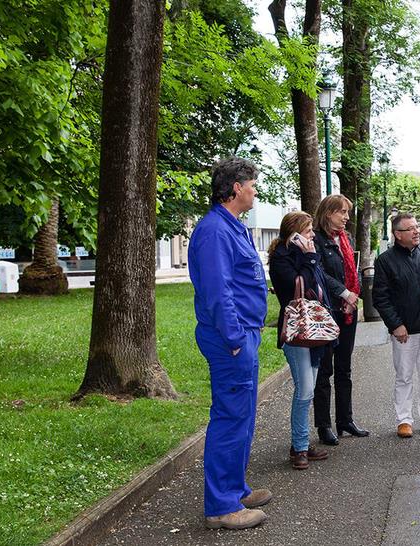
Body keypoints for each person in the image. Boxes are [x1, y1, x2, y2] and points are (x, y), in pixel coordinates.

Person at [188, 157, 271, 530]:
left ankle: (235, 489)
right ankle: (221, 506)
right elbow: (218, 291)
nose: (255, 191)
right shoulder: (214, 231)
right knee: (230, 418)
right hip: (229, 340)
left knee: (243, 418)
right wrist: (237, 338)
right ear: (236, 187)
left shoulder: (232, 226)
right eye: (252, 184)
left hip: (242, 336)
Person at [373, 213, 420, 438]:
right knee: (404, 376)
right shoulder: (385, 261)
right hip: (404, 331)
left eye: (417, 227)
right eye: (411, 229)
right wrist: (395, 325)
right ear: (398, 234)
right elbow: (381, 297)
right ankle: (404, 421)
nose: (417, 231)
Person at [268, 211, 332, 470]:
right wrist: (308, 257)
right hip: (296, 332)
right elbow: (297, 284)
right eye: (307, 231)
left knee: (310, 387)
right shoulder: (281, 259)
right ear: (293, 234)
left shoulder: (308, 255)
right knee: (304, 390)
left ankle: (301, 444)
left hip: (315, 331)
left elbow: (319, 284)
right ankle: (300, 448)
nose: (312, 235)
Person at [311, 195, 370, 446]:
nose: (346, 217)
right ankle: (324, 425)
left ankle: (345, 420)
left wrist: (352, 296)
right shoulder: (315, 239)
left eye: (347, 212)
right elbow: (319, 273)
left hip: (347, 311)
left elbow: (351, 271)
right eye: (342, 212)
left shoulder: (345, 239)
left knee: (344, 368)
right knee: (324, 370)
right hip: (327, 312)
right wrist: (344, 293)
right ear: (328, 213)